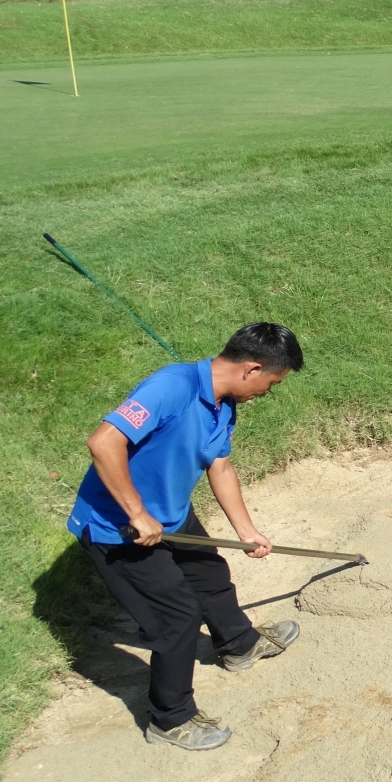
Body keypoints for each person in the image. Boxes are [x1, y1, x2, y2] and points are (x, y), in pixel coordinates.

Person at [67, 322, 306, 752]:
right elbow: (104, 442)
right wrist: (137, 513)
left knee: (209, 574)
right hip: (118, 530)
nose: (268, 393)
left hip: (171, 515)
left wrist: (247, 531)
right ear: (252, 368)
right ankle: (169, 718)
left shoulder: (223, 405)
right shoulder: (170, 387)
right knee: (175, 618)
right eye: (272, 383)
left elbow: (221, 467)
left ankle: (239, 645)